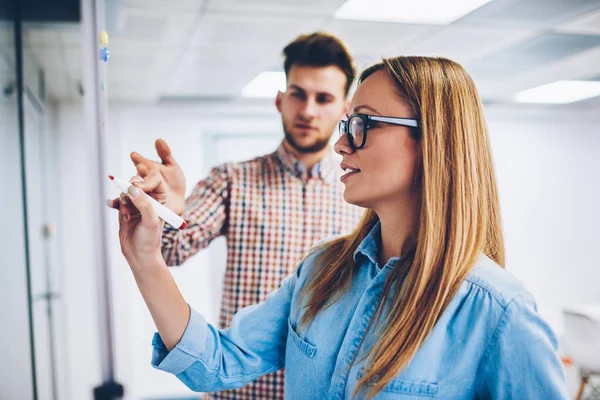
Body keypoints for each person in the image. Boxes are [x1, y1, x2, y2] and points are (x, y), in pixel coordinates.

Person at [110, 56, 570, 399]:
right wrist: (145, 260)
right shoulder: (323, 270)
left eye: (362, 123)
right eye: (349, 123)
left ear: (434, 140)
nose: (341, 143)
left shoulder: (499, 313)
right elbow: (218, 363)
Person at [109, 32, 364, 399]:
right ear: (280, 99)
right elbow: (173, 249)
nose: (308, 110)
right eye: (298, 94)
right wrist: (168, 210)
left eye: (323, 98)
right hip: (237, 386)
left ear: (345, 108)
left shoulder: (361, 194)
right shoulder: (232, 179)